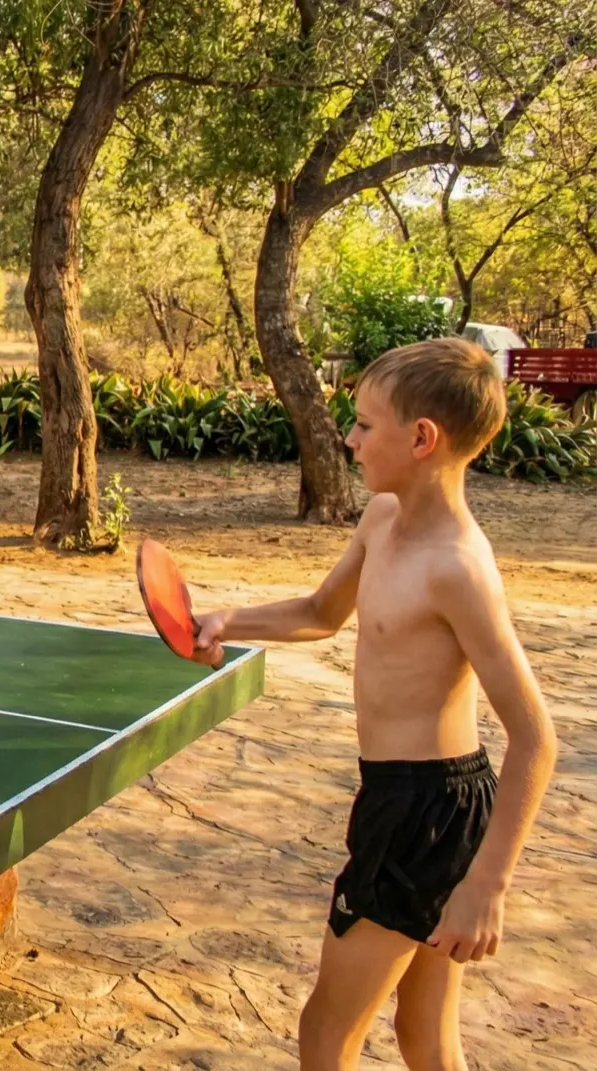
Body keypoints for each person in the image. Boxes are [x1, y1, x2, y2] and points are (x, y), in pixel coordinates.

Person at [189, 338, 556, 1070]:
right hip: (403, 797)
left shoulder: (455, 567)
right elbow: (324, 611)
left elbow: (535, 736)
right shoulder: (383, 518)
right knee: (424, 1037)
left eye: (363, 423)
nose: (349, 438)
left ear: (422, 439)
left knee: (326, 1030)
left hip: (427, 813)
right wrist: (229, 621)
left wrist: (487, 884)